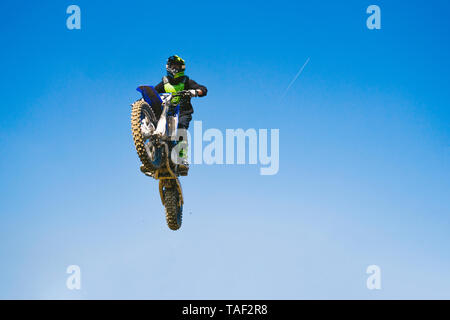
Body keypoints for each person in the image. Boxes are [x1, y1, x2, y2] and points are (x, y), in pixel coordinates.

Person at [154, 55, 207, 173]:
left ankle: (182, 159)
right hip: (167, 113)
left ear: (181, 67)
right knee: (156, 132)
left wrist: (197, 91)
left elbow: (203, 88)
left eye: (177, 66)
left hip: (183, 112)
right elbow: (153, 92)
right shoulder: (164, 82)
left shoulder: (186, 81)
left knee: (181, 129)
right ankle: (152, 159)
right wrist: (143, 101)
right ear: (168, 67)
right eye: (172, 66)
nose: (174, 68)